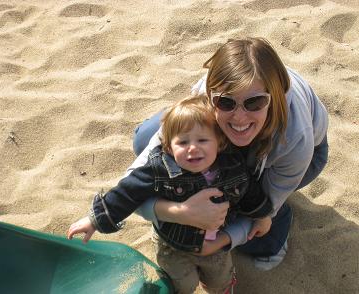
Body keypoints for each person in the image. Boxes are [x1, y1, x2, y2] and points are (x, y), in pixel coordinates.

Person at [132, 37, 329, 271]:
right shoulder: (206, 92)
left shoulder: (296, 136)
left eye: (254, 102)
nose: (239, 117)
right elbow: (132, 186)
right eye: (226, 102)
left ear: (273, 98)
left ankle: (280, 219)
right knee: (146, 139)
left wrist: (224, 240)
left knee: (252, 225)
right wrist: (180, 212)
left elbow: (257, 220)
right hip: (235, 137)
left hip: (294, 157)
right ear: (211, 96)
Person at [67, 94, 272, 293]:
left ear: (219, 143)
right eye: (182, 142)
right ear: (169, 146)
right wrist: (95, 220)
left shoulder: (233, 168)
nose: (192, 148)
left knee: (220, 278)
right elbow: (127, 192)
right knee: (182, 284)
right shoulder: (160, 169)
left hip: (215, 242)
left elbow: (250, 193)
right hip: (174, 245)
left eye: (202, 140)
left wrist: (262, 215)